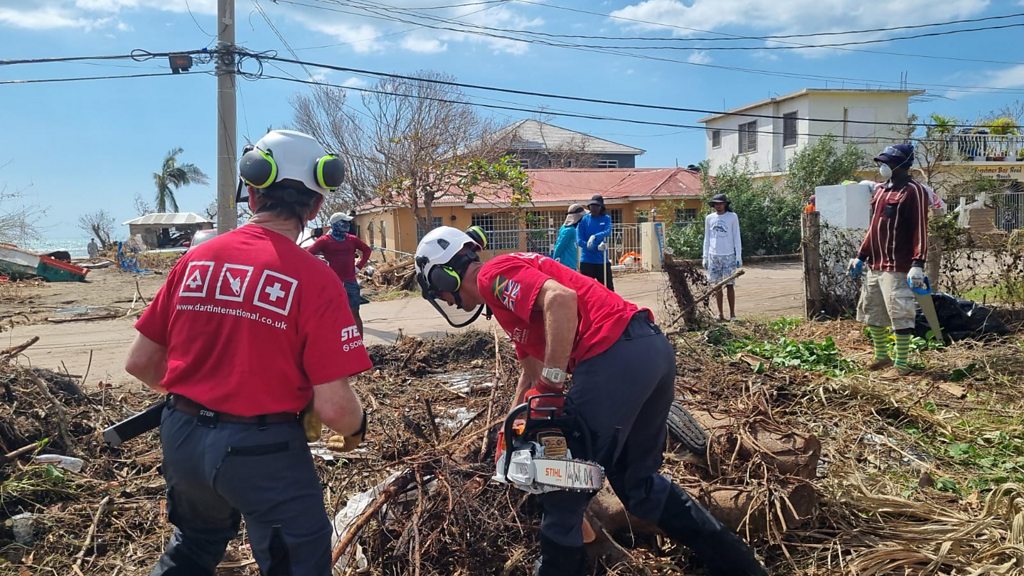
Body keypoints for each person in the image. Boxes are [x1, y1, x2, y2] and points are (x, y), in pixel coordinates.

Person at [412, 227, 767, 576]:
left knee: (563, 485)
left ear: (444, 277)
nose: (446, 301)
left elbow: (560, 299)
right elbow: (532, 373)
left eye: (438, 292)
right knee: (638, 485)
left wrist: (552, 385)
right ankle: (741, 566)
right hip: (649, 351)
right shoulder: (506, 298)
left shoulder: (492, 275)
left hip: (612, 355)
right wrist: (509, 430)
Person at [125, 129, 371, 576]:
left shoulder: (196, 260)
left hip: (182, 436)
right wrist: (355, 430)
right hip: (262, 453)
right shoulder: (315, 279)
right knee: (298, 563)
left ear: (253, 195)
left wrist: (203, 400)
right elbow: (335, 409)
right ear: (316, 205)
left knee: (192, 548)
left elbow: (140, 363)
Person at [848, 143, 930, 374]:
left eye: (888, 162)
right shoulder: (881, 191)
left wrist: (918, 263)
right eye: (883, 162)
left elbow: (920, 228)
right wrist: (860, 256)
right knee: (872, 311)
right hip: (875, 264)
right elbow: (873, 228)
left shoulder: (913, 191)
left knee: (899, 314)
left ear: (902, 165)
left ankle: (901, 365)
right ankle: (882, 356)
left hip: (898, 265)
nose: (883, 166)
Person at [307, 211, 372, 336]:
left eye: (348, 222)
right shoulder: (324, 241)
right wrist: (320, 269)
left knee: (354, 312)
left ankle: (359, 343)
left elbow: (367, 250)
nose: (347, 225)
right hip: (332, 282)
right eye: (344, 222)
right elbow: (307, 254)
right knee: (333, 313)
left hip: (350, 281)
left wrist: (358, 266)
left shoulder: (351, 239)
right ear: (335, 224)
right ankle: (335, 341)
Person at [702, 193, 743, 320]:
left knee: (729, 285)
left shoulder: (732, 217)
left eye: (720, 204)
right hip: (714, 255)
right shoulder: (710, 218)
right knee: (717, 286)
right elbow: (707, 238)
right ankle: (720, 314)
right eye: (716, 204)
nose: (718, 206)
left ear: (725, 204)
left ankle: (732, 314)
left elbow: (736, 236)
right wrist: (705, 256)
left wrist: (738, 256)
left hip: (728, 255)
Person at [576, 194, 613, 290]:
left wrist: (595, 236)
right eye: (592, 206)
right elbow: (579, 240)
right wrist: (593, 247)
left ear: (601, 207)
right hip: (587, 261)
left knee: (608, 289)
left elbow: (608, 231)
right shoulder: (584, 220)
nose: (594, 208)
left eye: (597, 206)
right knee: (586, 290)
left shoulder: (606, 218)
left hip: (602, 261)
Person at [551, 204, 585, 270]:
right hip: (567, 264)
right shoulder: (570, 230)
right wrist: (554, 260)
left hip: (569, 263)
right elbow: (560, 246)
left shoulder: (565, 228)